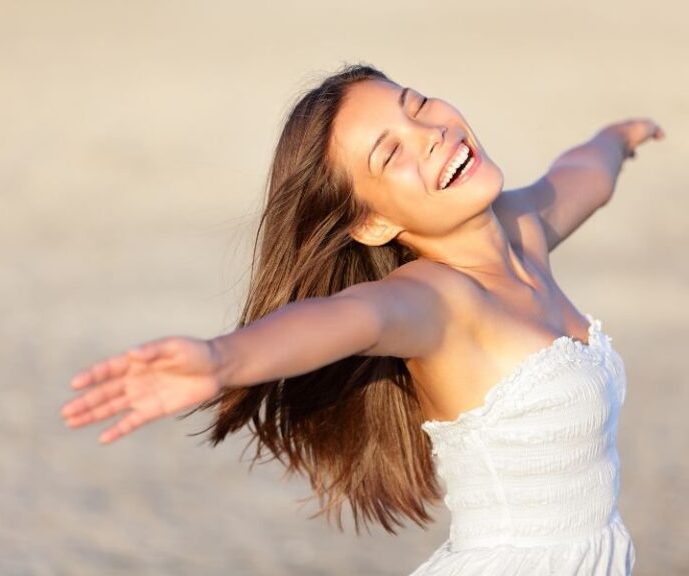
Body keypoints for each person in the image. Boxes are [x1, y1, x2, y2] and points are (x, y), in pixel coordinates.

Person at [60, 64, 665, 575]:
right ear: (373, 223)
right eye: (390, 152)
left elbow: (583, 177)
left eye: (417, 105)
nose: (429, 133)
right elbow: (346, 317)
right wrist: (224, 359)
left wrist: (619, 136)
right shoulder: (434, 300)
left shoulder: (524, 229)